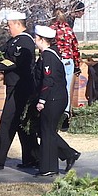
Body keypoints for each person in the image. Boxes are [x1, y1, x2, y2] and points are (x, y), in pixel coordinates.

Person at [0, 11, 39, 170]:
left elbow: (15, 61)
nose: (8, 29)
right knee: (21, 123)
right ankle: (32, 158)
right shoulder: (15, 40)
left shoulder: (25, 41)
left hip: (22, 87)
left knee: (7, 121)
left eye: (9, 25)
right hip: (14, 85)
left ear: (17, 24)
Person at [32, 25, 80, 177]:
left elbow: (48, 80)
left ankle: (49, 167)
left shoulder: (48, 56)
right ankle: (69, 154)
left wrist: (42, 101)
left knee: (47, 132)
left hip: (53, 98)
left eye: (36, 38)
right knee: (46, 131)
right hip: (55, 97)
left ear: (42, 40)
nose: (34, 40)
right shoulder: (49, 54)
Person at [50, 8, 81, 128]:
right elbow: (75, 48)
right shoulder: (69, 30)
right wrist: (77, 65)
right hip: (68, 61)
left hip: (55, 61)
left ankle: (55, 114)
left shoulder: (51, 30)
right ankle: (65, 115)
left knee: (54, 88)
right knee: (67, 89)